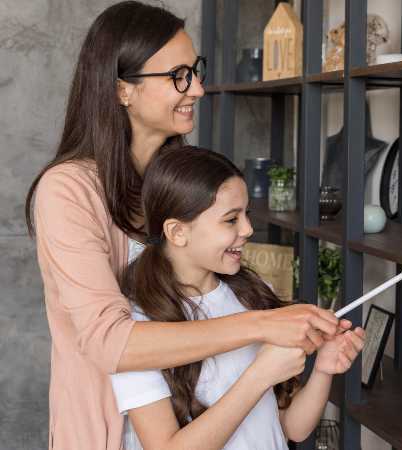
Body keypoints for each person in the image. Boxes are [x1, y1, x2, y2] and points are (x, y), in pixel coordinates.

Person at [26, 3, 340, 448]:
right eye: (178, 75)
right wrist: (262, 325)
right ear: (122, 90)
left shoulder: (181, 179)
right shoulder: (67, 191)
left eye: (196, 70)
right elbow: (111, 343)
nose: (198, 88)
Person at [111, 146, 365, 449]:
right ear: (178, 232)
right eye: (231, 219)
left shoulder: (252, 293)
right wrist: (260, 375)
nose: (248, 229)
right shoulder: (138, 326)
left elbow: (290, 428)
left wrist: (324, 368)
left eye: (247, 215)